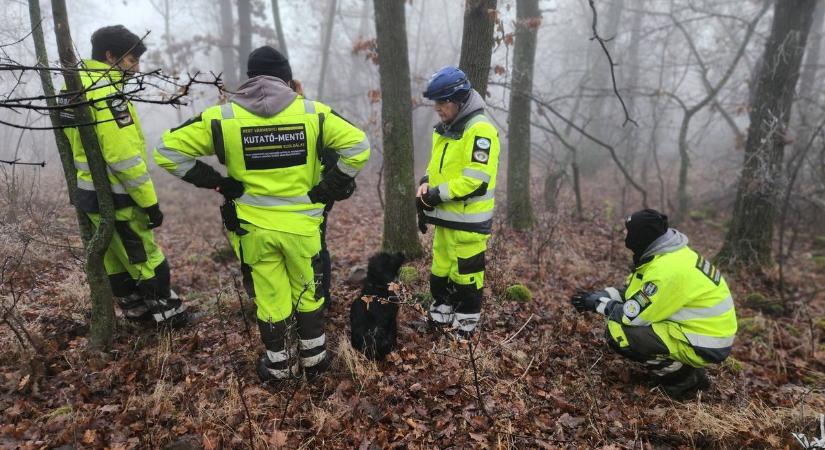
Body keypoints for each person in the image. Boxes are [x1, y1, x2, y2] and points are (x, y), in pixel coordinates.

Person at [154, 46, 370, 382]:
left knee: (271, 296)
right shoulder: (314, 113)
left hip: (252, 229)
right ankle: (314, 360)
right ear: (287, 77)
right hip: (303, 227)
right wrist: (325, 190)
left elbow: (167, 151)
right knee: (307, 290)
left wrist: (221, 184)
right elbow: (359, 146)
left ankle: (280, 367)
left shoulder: (223, 118)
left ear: (250, 78)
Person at [59, 25, 186, 326]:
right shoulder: (108, 95)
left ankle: (138, 315)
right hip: (119, 198)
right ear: (110, 56)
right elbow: (123, 158)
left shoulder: (71, 89)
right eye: (131, 61)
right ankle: (171, 318)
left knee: (115, 259)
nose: (136, 69)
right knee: (144, 256)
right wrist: (149, 203)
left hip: (90, 196)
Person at [570, 209, 738, 398]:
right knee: (626, 324)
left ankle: (683, 378)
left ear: (641, 237)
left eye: (629, 232)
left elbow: (631, 315)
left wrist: (597, 304)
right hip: (702, 330)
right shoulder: (667, 254)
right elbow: (632, 294)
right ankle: (685, 370)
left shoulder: (665, 271)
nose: (625, 236)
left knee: (618, 331)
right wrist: (601, 295)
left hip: (706, 340)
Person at [416, 66, 500, 337]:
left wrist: (436, 194)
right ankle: (441, 316)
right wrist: (426, 183)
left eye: (442, 102)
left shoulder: (480, 131)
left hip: (468, 221)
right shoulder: (447, 128)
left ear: (459, 100)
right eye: (435, 102)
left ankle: (464, 326)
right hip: (446, 218)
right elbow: (437, 167)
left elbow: (474, 180)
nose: (438, 108)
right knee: (441, 269)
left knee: (466, 275)